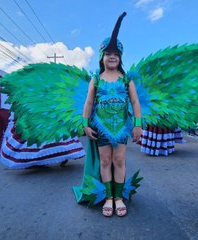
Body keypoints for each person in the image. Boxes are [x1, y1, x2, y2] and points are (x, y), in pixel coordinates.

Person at [75, 13, 142, 217]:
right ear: (101, 57)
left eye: (116, 53)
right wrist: (85, 124)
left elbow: (135, 102)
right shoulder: (95, 79)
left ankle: (119, 197)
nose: (112, 56)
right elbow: (88, 102)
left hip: (121, 127)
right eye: (108, 53)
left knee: (119, 160)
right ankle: (109, 197)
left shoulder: (126, 79)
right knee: (105, 161)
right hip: (101, 127)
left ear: (120, 57)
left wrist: (138, 124)